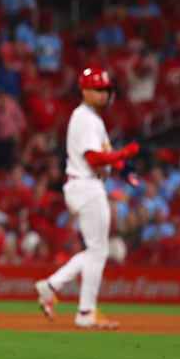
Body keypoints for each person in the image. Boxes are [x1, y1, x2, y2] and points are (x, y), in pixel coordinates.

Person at [35, 68, 140, 329]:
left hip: (84, 185)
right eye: (97, 89)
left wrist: (123, 169)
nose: (103, 94)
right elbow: (94, 158)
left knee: (95, 250)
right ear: (83, 90)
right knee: (98, 251)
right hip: (86, 186)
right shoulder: (85, 118)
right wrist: (123, 154)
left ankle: (51, 286)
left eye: (105, 89)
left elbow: (104, 157)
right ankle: (85, 312)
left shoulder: (92, 119)